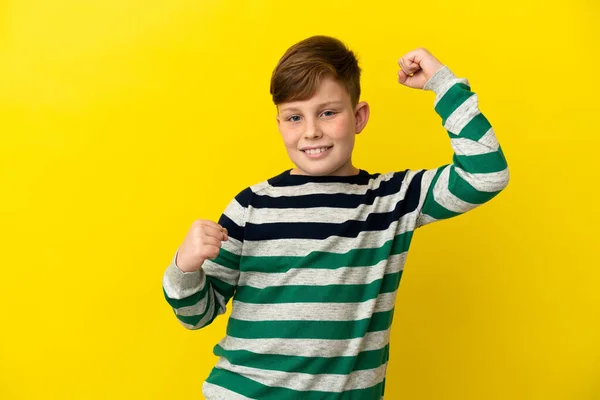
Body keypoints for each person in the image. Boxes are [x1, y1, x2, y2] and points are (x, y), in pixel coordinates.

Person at [162, 35, 509, 399]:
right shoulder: (251, 207)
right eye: (295, 117)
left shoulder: (393, 200)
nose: (311, 131)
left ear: (359, 117)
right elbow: (196, 315)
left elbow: (485, 174)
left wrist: (442, 83)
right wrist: (184, 268)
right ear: (279, 123)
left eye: (328, 113)